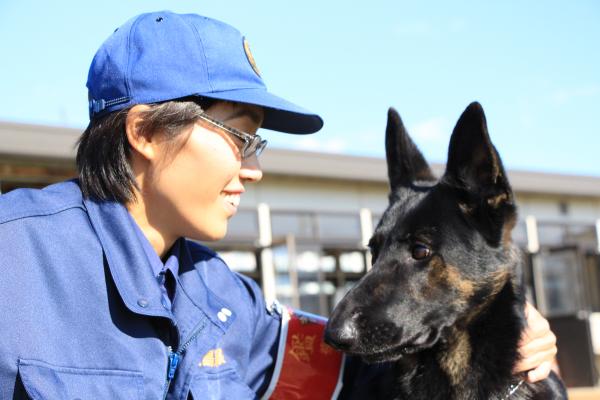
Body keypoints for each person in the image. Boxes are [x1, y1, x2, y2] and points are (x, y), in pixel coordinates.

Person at [0, 10, 557, 399]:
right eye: (238, 138)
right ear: (145, 131)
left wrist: (507, 334)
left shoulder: (219, 299)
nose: (254, 168)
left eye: (256, 144)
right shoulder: (14, 259)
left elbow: (355, 366)